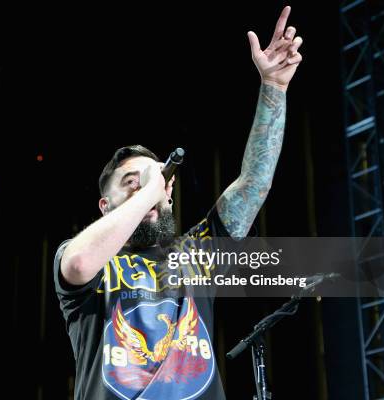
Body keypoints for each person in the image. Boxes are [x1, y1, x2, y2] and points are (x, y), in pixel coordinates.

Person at [54, 6, 303, 399]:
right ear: (105, 206)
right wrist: (149, 190)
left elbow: (255, 184)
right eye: (129, 184)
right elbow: (79, 263)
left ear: (169, 193)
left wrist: (274, 86)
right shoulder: (86, 260)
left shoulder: (196, 255)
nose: (145, 189)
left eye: (155, 181)